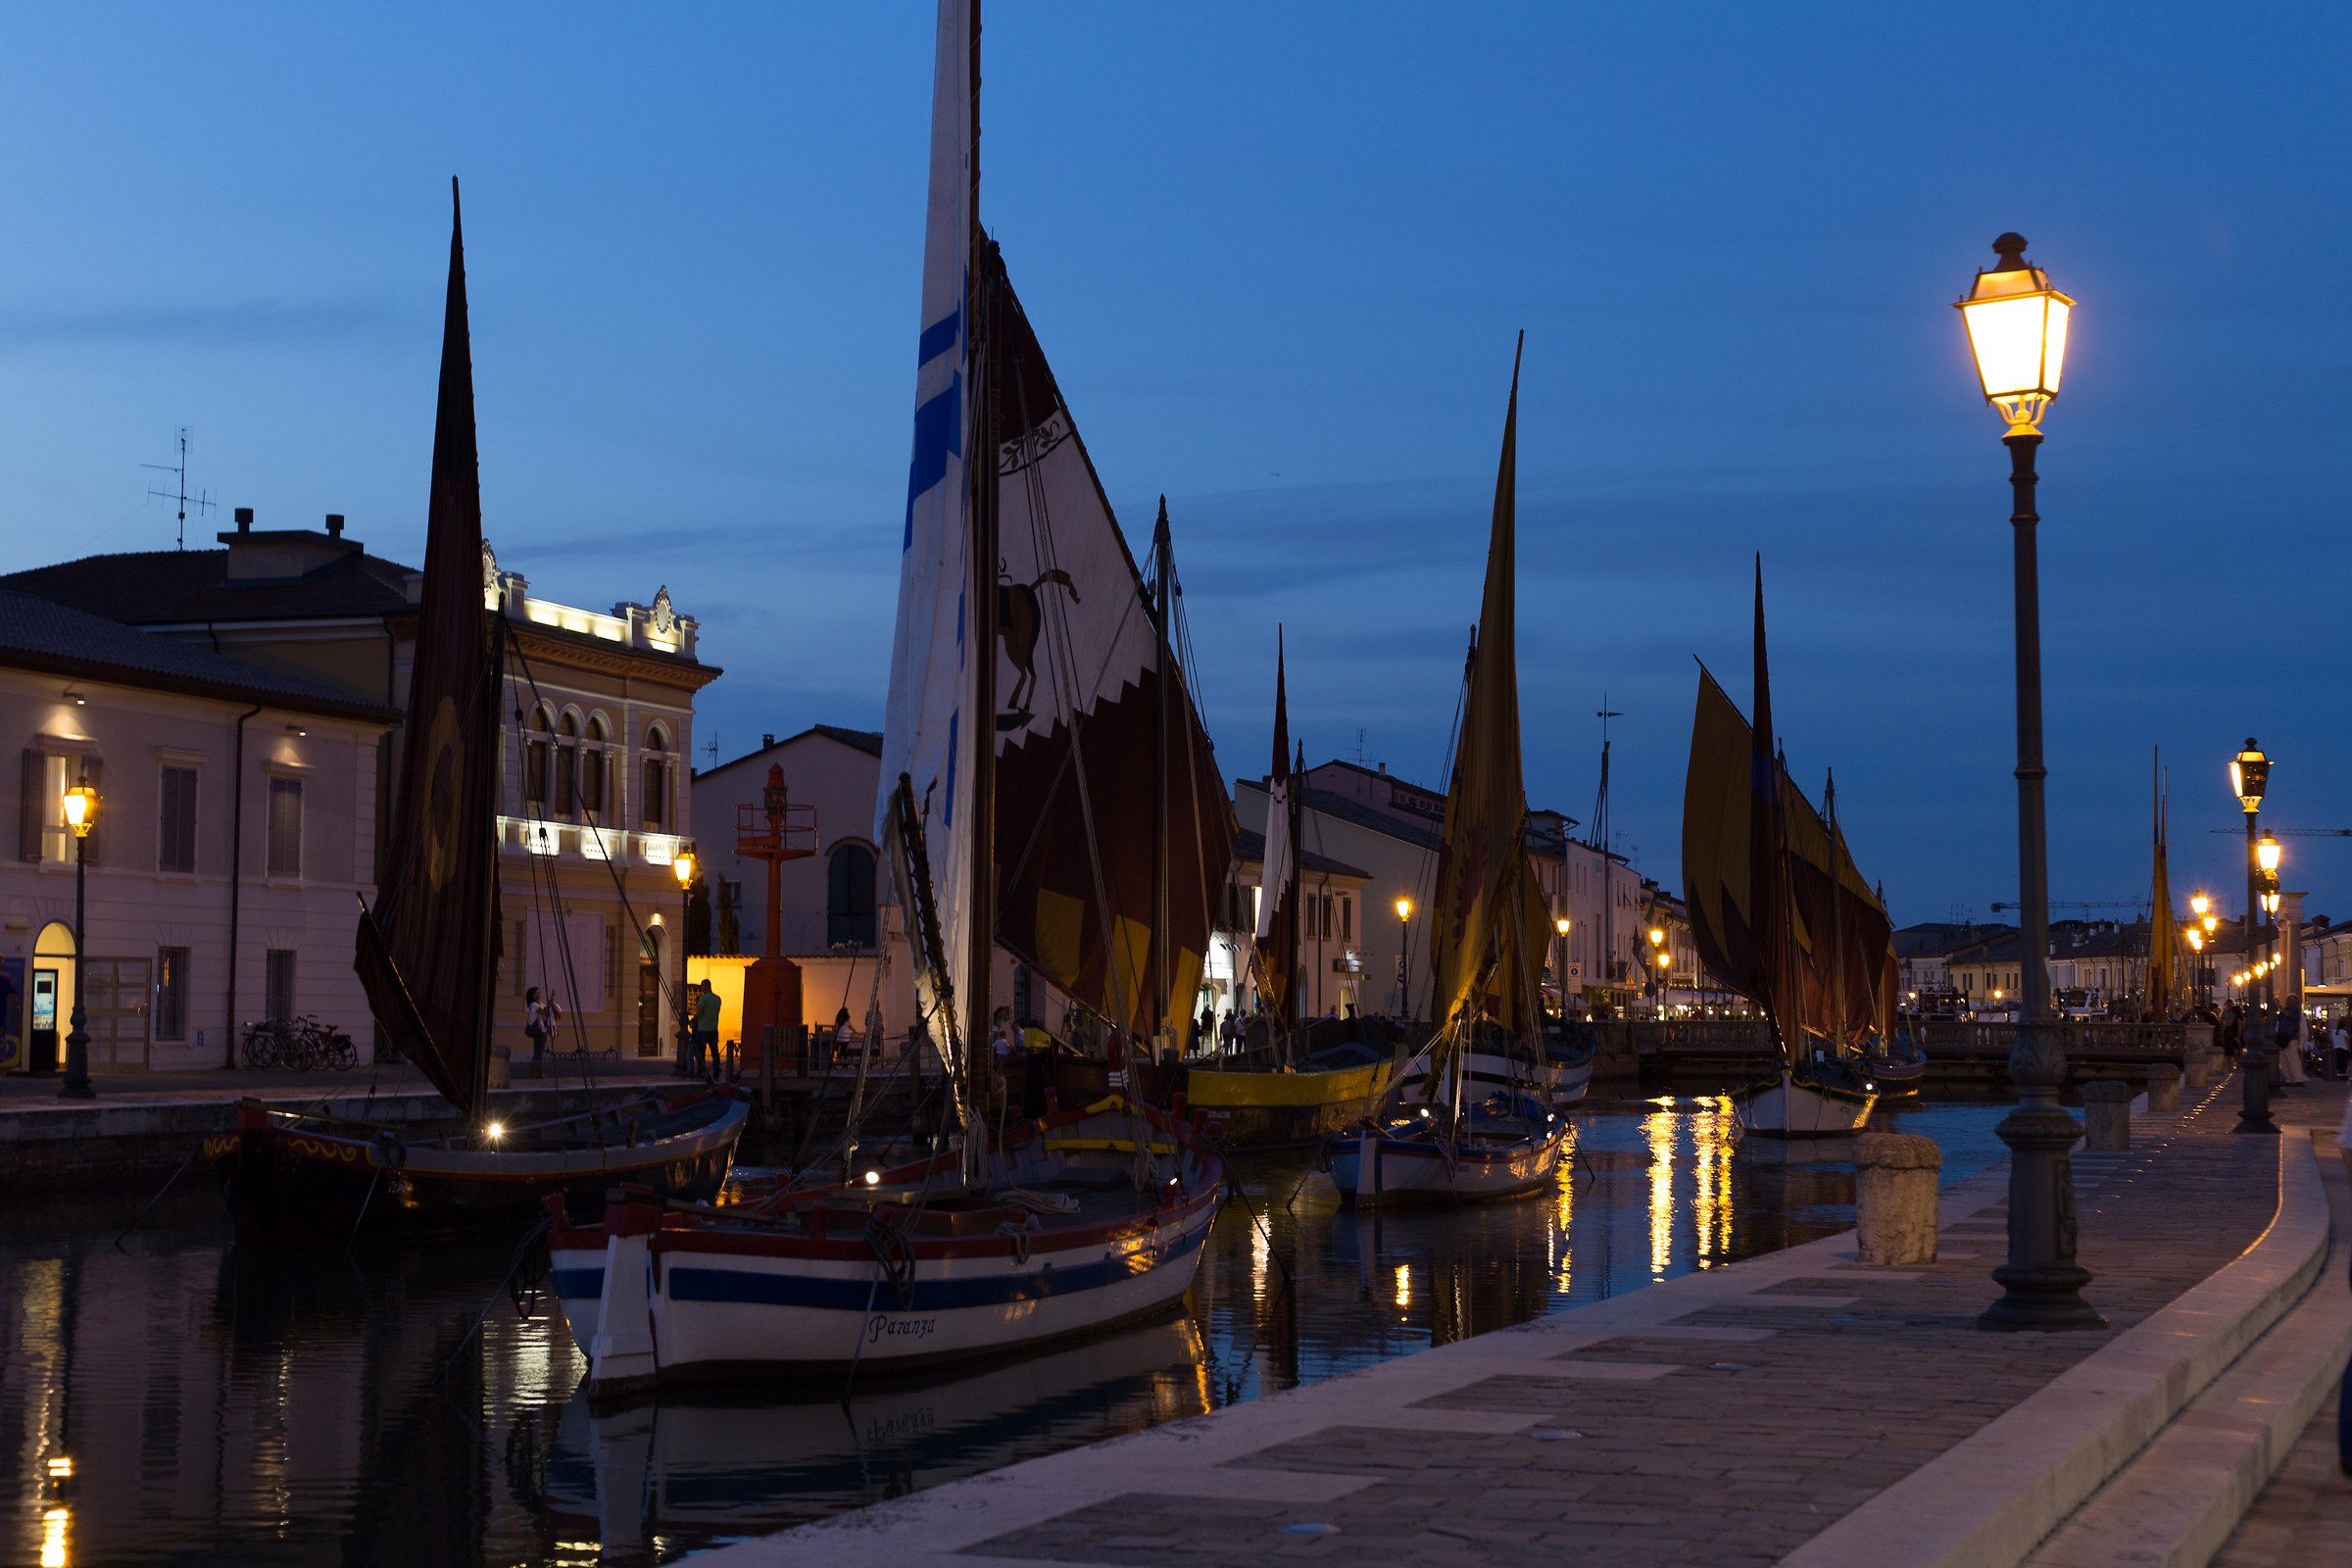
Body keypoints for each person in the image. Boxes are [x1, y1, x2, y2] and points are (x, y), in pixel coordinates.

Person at [523, 986, 560, 1079]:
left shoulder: (541, 1004)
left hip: (543, 1030)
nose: (538, 995)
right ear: (532, 996)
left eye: (538, 993)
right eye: (535, 993)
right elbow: (544, 1012)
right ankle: (534, 1072)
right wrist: (551, 999)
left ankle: (538, 1072)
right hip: (538, 1030)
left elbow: (547, 1011)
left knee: (540, 1052)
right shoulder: (533, 1005)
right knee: (538, 1052)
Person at [691, 980, 721, 1079]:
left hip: (703, 1029)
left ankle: (701, 1072)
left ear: (705, 986)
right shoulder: (718, 999)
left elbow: (700, 1011)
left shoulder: (703, 998)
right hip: (714, 1028)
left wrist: (694, 1020)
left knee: (701, 1052)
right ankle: (717, 1071)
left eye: (701, 986)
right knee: (715, 1052)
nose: (701, 988)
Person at [2330, 1016, 2348, 1081]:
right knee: (2343, 1063)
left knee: (2337, 1062)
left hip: (2336, 1048)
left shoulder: (2334, 1032)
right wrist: (2348, 1048)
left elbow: (2332, 1041)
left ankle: (2337, 1075)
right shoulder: (2344, 1032)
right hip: (2343, 1048)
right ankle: (2343, 1076)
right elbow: (2347, 1041)